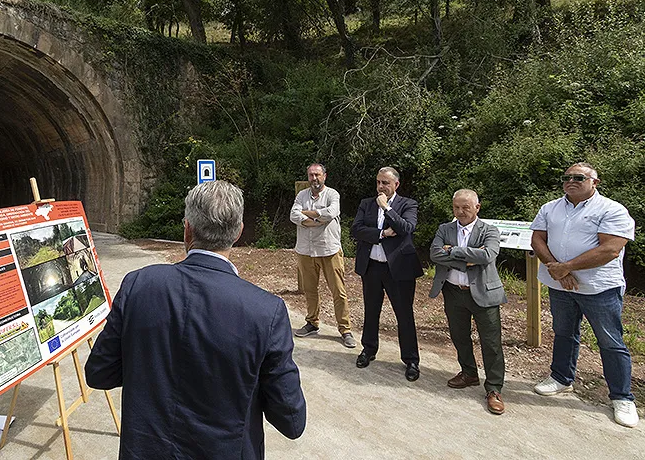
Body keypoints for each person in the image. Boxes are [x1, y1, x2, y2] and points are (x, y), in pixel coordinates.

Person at [85, 181, 307, 458]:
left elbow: (99, 373)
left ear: (187, 229)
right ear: (238, 232)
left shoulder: (138, 284)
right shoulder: (265, 311)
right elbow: (292, 420)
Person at [530, 162, 638, 428]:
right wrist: (558, 270)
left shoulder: (612, 209)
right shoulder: (550, 208)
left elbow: (610, 249)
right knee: (564, 332)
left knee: (611, 341)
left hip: (599, 288)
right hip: (560, 286)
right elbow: (537, 240)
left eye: (579, 177)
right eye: (567, 177)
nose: (571, 181)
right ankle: (561, 378)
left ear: (595, 182)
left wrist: (567, 267)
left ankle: (622, 396)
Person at [429, 189, 507, 415]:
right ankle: (469, 373)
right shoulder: (445, 228)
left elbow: (487, 256)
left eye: (466, 207)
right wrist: (468, 259)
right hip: (453, 293)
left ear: (477, 207)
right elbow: (435, 254)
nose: (460, 212)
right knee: (459, 336)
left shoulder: (489, 230)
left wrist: (452, 251)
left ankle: (494, 389)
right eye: (456, 208)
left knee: (491, 343)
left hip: (483, 293)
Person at [352, 166, 423, 380]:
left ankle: (411, 360)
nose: (381, 187)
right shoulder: (366, 204)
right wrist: (382, 233)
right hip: (372, 266)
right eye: (378, 182)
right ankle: (369, 349)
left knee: (404, 314)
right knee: (371, 310)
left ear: (396, 185)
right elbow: (356, 230)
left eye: (386, 183)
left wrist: (386, 208)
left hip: (398, 269)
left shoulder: (408, 204)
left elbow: (406, 228)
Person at [290, 163, 356, 348]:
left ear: (324, 176)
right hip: (305, 251)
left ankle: (345, 329)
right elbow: (293, 215)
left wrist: (308, 216)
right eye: (311, 175)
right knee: (310, 290)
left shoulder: (333, 194)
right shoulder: (301, 195)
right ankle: (312, 322)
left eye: (317, 175)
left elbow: (331, 213)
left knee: (338, 291)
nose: (314, 179)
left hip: (329, 250)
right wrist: (317, 220)